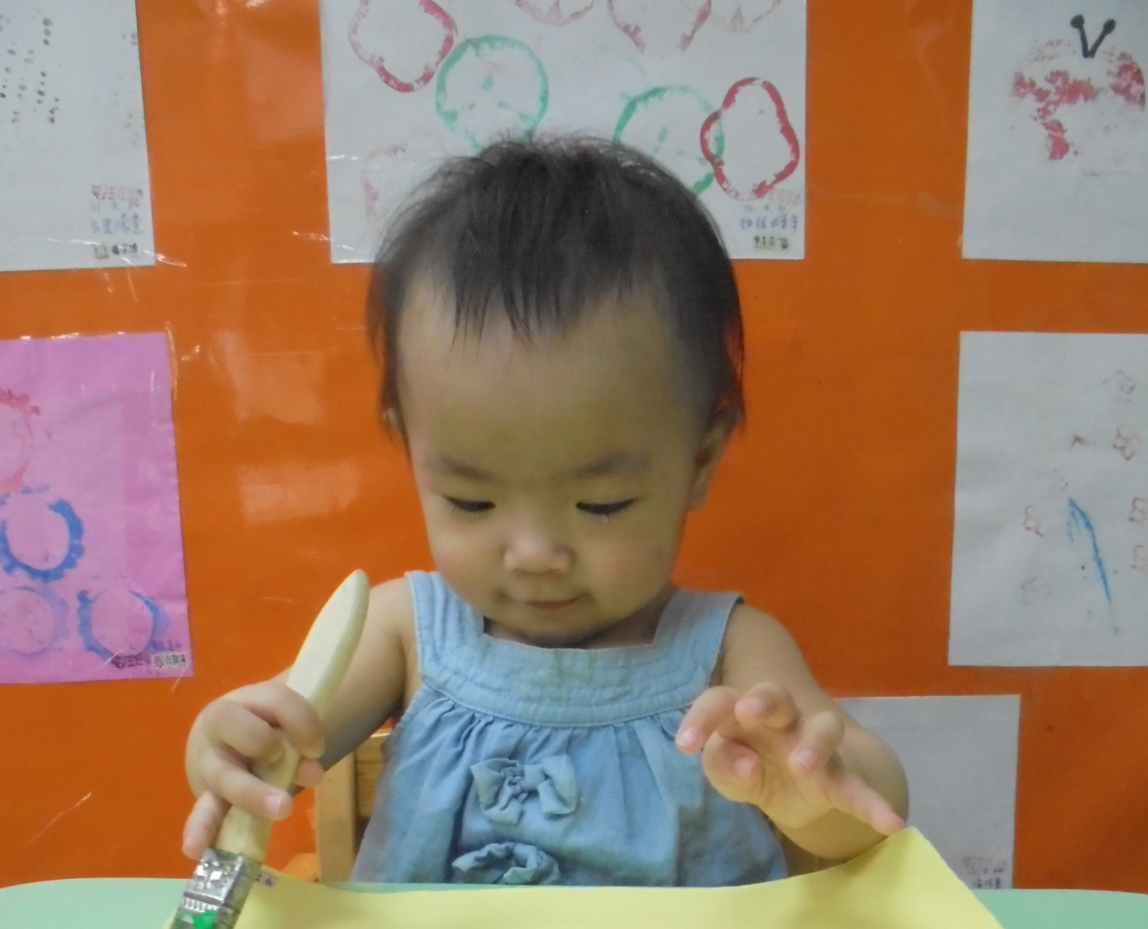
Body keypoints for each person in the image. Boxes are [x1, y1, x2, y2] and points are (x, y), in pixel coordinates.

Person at [183, 137, 907, 887]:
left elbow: (870, 806)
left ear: (700, 462)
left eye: (600, 505)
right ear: (412, 451)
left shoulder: (731, 649)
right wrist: (227, 744)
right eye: (472, 500)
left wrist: (815, 789)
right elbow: (280, 736)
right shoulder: (400, 632)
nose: (533, 554)